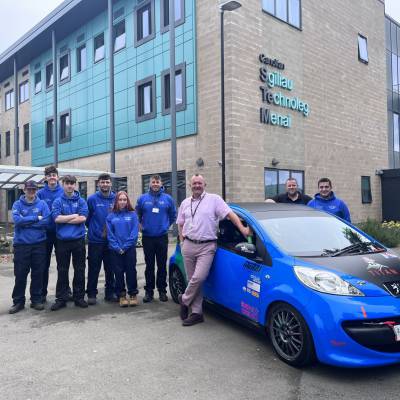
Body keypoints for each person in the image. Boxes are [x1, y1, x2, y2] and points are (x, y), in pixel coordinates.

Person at [176, 174, 250, 326]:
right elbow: (180, 223)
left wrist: (242, 228)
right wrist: (182, 242)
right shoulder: (185, 203)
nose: (197, 185)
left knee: (199, 277)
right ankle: (197, 313)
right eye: (194, 183)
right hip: (188, 244)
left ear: (205, 184)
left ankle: (184, 300)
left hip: (207, 246)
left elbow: (230, 214)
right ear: (190, 185)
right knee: (192, 280)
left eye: (200, 183)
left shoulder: (214, 199)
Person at [9, 181, 50, 314]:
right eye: (29, 189)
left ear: (36, 190)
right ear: (24, 190)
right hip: (21, 245)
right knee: (20, 274)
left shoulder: (42, 204)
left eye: (34, 189)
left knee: (38, 273)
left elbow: (46, 221)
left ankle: (36, 300)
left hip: (39, 244)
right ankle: (18, 302)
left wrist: (26, 220)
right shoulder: (17, 204)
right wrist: (36, 218)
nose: (31, 191)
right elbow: (17, 221)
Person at [136, 175, 176, 303]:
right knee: (149, 266)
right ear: (149, 184)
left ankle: (162, 291)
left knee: (162, 266)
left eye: (157, 182)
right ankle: (149, 291)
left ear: (161, 183)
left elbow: (173, 215)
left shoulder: (168, 199)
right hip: (147, 237)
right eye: (153, 182)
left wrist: (165, 226)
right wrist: (140, 226)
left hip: (162, 237)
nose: (155, 184)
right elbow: (137, 214)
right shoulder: (142, 198)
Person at [51, 175, 89, 311]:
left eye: (72, 183)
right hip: (62, 241)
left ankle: (79, 297)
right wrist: (74, 215)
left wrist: (65, 218)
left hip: (78, 240)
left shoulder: (81, 201)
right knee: (62, 270)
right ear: (63, 184)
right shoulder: (57, 201)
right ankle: (61, 298)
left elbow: (83, 218)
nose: (70, 186)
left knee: (79, 269)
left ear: (75, 185)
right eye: (67, 183)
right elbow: (56, 218)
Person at [37, 165, 71, 303]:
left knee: (62, 264)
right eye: (49, 175)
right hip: (44, 235)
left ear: (58, 177)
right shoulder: (40, 194)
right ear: (46, 178)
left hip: (60, 234)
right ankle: (41, 293)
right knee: (43, 265)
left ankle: (65, 291)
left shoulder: (63, 192)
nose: (52, 177)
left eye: (54, 174)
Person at [86, 173, 116, 305]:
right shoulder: (92, 199)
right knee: (94, 268)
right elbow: (87, 219)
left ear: (110, 183)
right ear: (98, 184)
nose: (105, 184)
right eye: (102, 182)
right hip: (95, 241)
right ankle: (92, 294)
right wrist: (96, 230)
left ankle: (110, 293)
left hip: (111, 241)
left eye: (107, 182)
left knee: (111, 268)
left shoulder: (116, 198)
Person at [106, 191, 139, 307]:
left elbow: (134, 233)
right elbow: (110, 234)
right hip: (115, 250)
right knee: (118, 273)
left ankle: (133, 294)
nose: (122, 202)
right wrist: (117, 247)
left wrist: (125, 247)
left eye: (124, 200)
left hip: (129, 249)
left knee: (131, 271)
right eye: (120, 200)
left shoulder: (133, 214)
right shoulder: (111, 216)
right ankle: (122, 295)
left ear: (127, 201)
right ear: (116, 201)